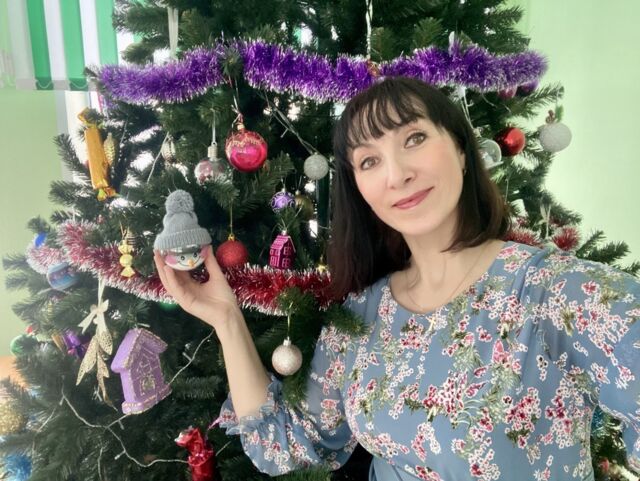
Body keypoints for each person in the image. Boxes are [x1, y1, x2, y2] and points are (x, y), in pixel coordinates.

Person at [154, 77, 640, 481]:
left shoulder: (560, 293)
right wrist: (226, 318)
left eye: (414, 139)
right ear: (360, 189)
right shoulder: (363, 313)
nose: (397, 173)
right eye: (369, 160)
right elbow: (289, 446)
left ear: (462, 149)